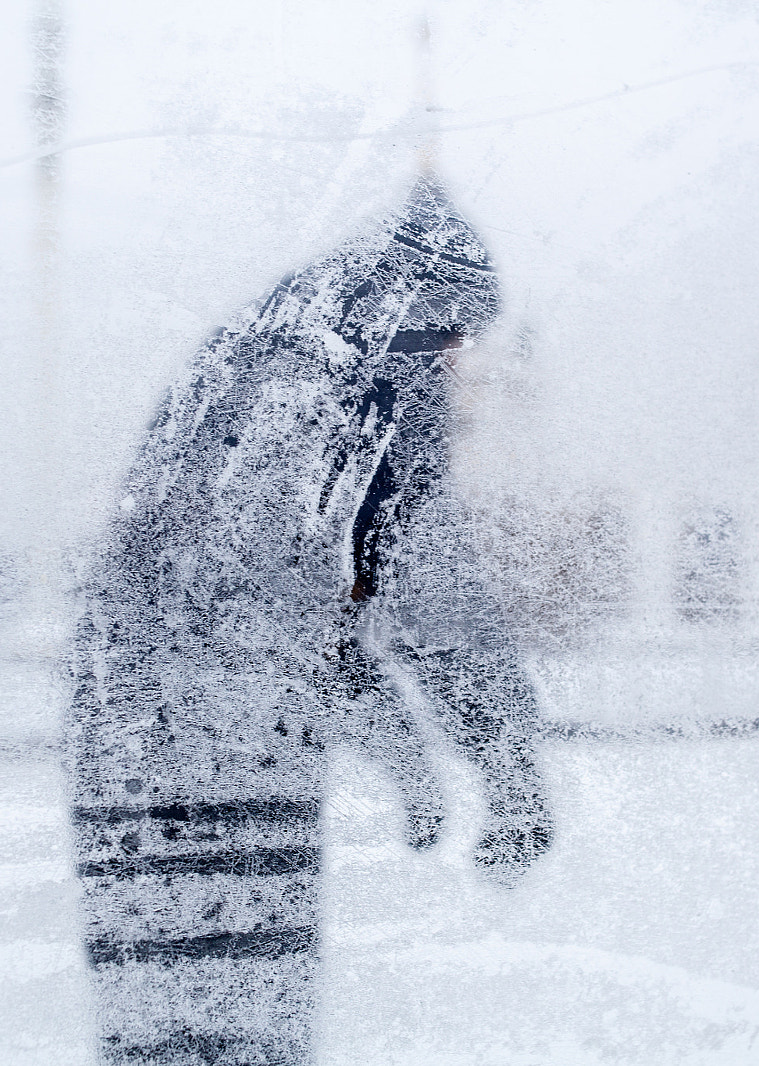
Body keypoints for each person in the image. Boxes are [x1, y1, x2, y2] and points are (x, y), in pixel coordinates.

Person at [68, 176, 554, 1065]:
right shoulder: (333, 374)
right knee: (219, 1011)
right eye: (454, 332)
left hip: (157, 725)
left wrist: (477, 742)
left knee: (192, 1010)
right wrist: (459, 747)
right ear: (416, 302)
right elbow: (293, 584)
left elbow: (392, 575)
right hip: (197, 733)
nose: (458, 357)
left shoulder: (297, 350)